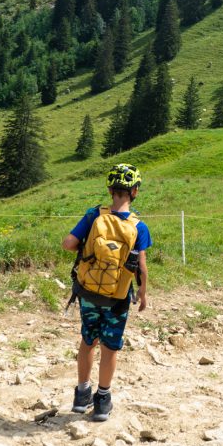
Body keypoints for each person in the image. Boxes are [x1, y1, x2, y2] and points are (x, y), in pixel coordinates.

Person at [63, 163, 151, 422]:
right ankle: (102, 400)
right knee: (110, 347)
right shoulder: (139, 226)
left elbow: (68, 244)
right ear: (134, 192)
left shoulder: (94, 215)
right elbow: (142, 266)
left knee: (88, 340)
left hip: (89, 291)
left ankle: (81, 396)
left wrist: (87, 252)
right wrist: (143, 293)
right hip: (118, 297)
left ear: (110, 190)